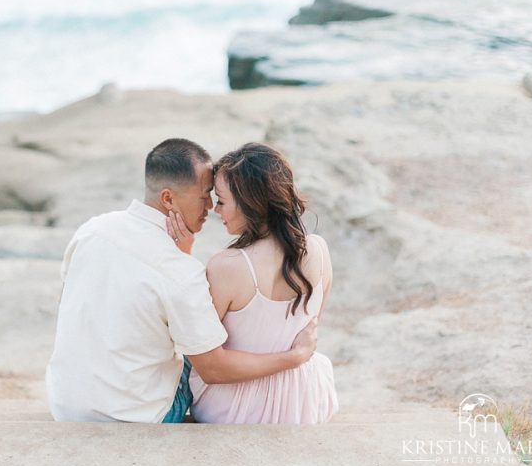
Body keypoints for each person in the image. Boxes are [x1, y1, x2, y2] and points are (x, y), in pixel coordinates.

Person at [45, 138, 318, 423]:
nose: (211, 206)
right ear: (168, 199)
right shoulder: (181, 272)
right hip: (136, 419)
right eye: (205, 194)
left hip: (65, 404)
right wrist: (295, 357)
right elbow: (214, 370)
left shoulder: (92, 230)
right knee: (203, 344)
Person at [166, 142, 339, 424]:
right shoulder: (318, 250)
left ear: (250, 203)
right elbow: (308, 327)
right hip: (306, 400)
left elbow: (210, 367)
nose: (215, 210)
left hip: (238, 409)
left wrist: (182, 257)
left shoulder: (227, 266)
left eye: (221, 200)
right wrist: (295, 357)